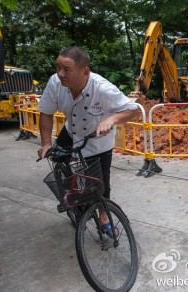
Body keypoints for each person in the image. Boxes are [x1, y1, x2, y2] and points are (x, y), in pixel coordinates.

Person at [37, 47, 139, 228]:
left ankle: (103, 216)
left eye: (66, 69)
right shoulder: (55, 83)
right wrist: (45, 143)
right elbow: (46, 112)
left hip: (97, 140)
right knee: (57, 159)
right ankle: (71, 196)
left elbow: (133, 110)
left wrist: (111, 119)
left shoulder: (103, 88)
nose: (60, 74)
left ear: (85, 72)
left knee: (100, 184)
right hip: (71, 132)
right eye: (58, 67)